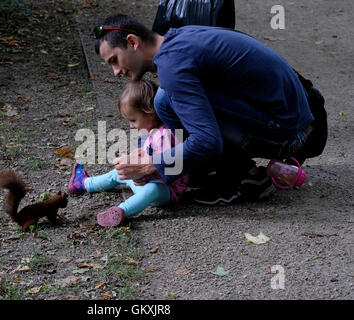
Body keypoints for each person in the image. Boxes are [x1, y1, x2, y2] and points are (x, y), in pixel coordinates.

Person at [93, 14, 326, 205]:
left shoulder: (172, 66)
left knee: (167, 99)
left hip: (292, 134)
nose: (115, 72)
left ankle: (245, 179)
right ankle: (204, 168)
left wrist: (150, 164)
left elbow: (207, 141)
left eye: (114, 60)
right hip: (297, 118)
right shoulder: (179, 39)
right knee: (164, 101)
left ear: (133, 42)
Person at [68, 80, 189, 227]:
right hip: (144, 180)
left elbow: (168, 169)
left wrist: (141, 175)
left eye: (133, 120)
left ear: (150, 113)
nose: (131, 126)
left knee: (153, 190)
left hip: (166, 190)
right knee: (118, 173)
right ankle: (84, 183)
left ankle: (120, 211)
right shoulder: (149, 133)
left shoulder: (165, 135)